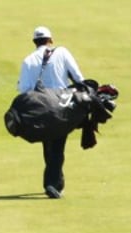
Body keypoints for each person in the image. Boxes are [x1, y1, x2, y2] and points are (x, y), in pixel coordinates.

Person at [17, 26, 84, 199]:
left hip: (40, 109)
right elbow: (78, 78)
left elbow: (23, 89)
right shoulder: (61, 52)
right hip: (61, 105)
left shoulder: (28, 60)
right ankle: (52, 184)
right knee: (58, 146)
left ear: (34, 42)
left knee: (49, 145)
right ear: (50, 40)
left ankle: (56, 182)